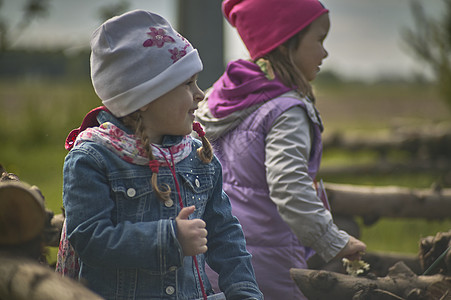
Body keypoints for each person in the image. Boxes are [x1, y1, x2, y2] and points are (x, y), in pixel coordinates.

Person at [59, 10, 263, 300]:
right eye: (187, 83)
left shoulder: (197, 156)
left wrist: (245, 292)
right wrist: (169, 239)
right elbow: (89, 239)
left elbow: (226, 235)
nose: (200, 94)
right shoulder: (93, 158)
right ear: (144, 98)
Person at [195, 0, 367, 299]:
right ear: (286, 43)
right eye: (319, 40)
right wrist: (334, 241)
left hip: (212, 260)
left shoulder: (214, 99)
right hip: (267, 269)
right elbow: (289, 186)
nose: (324, 52)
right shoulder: (286, 110)